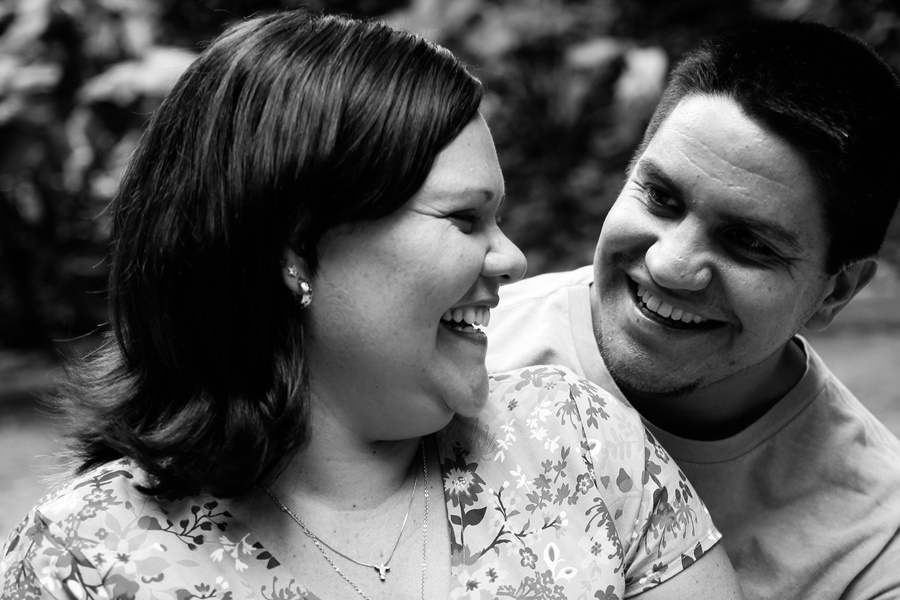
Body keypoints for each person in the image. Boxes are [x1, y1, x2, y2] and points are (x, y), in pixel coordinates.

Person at [0, 9, 744, 600]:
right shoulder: (89, 561)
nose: (511, 258)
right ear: (295, 249)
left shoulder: (576, 445)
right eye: (464, 219)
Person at [486, 18, 900, 600]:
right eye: (660, 197)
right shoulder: (464, 350)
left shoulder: (873, 548)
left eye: (749, 243)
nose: (670, 265)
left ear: (837, 292)